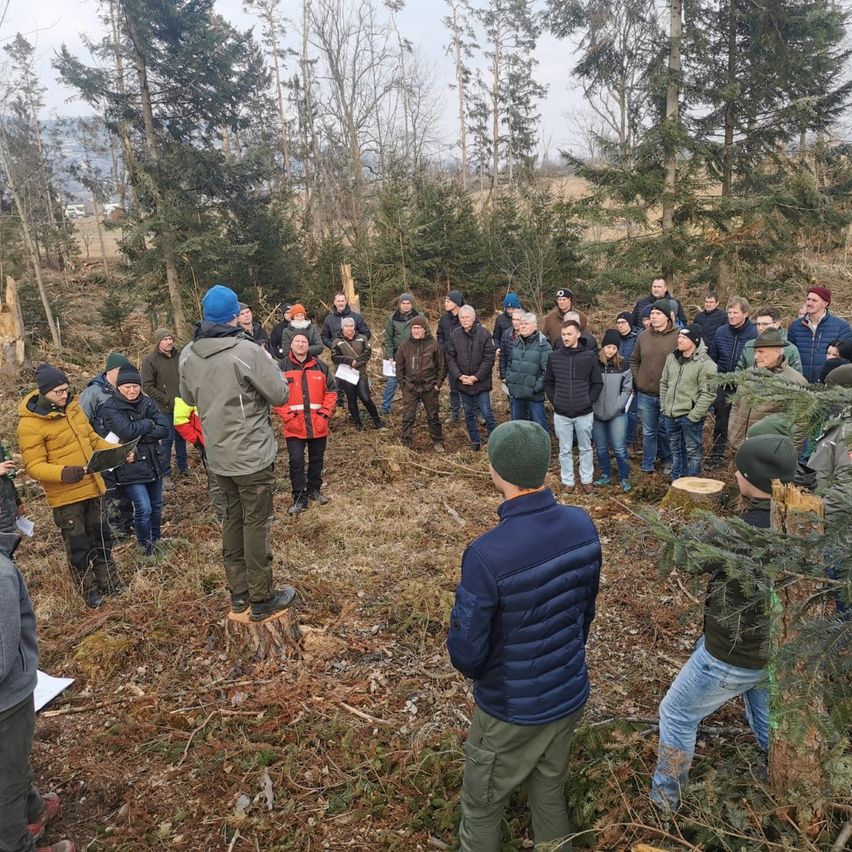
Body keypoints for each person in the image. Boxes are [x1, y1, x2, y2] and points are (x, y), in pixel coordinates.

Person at [447, 420, 601, 852]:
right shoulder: (582, 525)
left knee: (481, 807)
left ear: (498, 471)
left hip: (511, 709)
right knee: (548, 790)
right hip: (569, 690)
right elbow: (584, 612)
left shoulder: (486, 554)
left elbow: (467, 653)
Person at [650, 434, 798, 812]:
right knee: (765, 715)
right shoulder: (800, 521)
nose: (733, 473)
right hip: (774, 647)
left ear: (750, 479)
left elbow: (687, 558)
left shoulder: (739, 532)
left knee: (676, 713)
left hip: (732, 652)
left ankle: (665, 802)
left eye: (740, 469)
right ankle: (787, 784)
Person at [179, 284, 295, 622]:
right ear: (234, 316)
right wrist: (269, 365)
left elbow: (187, 398)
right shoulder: (247, 352)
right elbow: (280, 394)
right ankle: (262, 599)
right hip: (252, 456)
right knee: (256, 524)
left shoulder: (188, 353)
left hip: (216, 455)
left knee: (231, 520)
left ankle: (239, 596)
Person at [18, 364, 124, 608]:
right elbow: (34, 465)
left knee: (101, 538)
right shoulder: (31, 424)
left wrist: (117, 453)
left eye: (66, 389)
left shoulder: (74, 409)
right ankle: (90, 592)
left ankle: (110, 582)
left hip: (92, 486)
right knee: (78, 546)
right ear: (44, 392)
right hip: (66, 497)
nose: (64, 395)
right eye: (58, 392)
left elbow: (93, 439)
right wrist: (63, 473)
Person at [1, 550, 75, 852]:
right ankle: (17, 845)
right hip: (6, 705)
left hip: (9, 700)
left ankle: (32, 808)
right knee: (7, 784)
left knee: (13, 763)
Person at [101, 365, 172, 556]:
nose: (132, 391)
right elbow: (125, 431)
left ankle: (156, 540)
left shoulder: (148, 403)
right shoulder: (110, 407)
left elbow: (164, 428)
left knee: (157, 507)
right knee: (144, 508)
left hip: (153, 462)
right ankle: (145, 546)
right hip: (130, 467)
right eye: (127, 387)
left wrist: (138, 432)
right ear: (119, 388)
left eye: (135, 386)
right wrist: (148, 423)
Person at [274, 331, 337, 515]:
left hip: (318, 424)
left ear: (308, 345)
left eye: (304, 341)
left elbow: (331, 392)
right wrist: (287, 417)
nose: (301, 344)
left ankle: (315, 490)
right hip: (294, 426)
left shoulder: (321, 366)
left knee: (317, 459)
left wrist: (325, 414)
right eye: (297, 341)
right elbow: (276, 396)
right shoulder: (281, 367)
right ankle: (299, 497)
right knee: (296, 461)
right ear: (291, 345)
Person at [809, 364, 852, 612]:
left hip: (839, 531)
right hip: (833, 525)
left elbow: (847, 488)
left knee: (842, 590)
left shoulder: (849, 429)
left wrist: (820, 514)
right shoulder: (840, 421)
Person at [78, 352, 135, 539]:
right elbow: (82, 423)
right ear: (111, 371)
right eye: (121, 370)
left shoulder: (126, 388)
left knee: (125, 487)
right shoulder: (92, 393)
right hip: (102, 451)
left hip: (122, 448)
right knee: (110, 492)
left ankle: (127, 525)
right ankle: (114, 531)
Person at [545, 320, 603, 494]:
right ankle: (568, 481)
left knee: (585, 448)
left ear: (578, 334)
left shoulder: (589, 356)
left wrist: (588, 400)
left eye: (569, 334)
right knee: (564, 449)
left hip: (584, 412)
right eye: (563, 334)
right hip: (562, 413)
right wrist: (556, 401)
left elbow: (597, 383)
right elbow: (548, 382)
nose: (566, 338)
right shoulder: (554, 357)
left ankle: (587, 480)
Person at [728, 328, 808, 452]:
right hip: (740, 448)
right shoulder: (747, 374)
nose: (756, 356)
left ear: (777, 352)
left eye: (761, 352)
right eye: (755, 351)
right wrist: (733, 436)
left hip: (770, 452)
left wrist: (790, 456)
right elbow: (736, 407)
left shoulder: (795, 381)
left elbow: (799, 425)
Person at [658, 326, 717, 479]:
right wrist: (664, 407)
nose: (679, 340)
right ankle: (677, 480)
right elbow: (664, 383)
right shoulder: (672, 358)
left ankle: (692, 482)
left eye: (684, 338)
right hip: (670, 414)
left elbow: (709, 393)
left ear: (694, 341)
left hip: (690, 416)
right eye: (679, 337)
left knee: (693, 451)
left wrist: (694, 415)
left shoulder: (706, 364)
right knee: (676, 450)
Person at [706, 296, 757, 467]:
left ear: (746, 314)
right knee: (721, 420)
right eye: (729, 312)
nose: (731, 316)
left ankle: (743, 459)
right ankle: (717, 455)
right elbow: (713, 357)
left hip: (745, 385)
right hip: (723, 383)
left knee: (744, 423)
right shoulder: (721, 331)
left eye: (735, 313)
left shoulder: (754, 333)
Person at [630, 300, 679, 474]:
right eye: (652, 314)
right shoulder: (643, 336)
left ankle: (668, 461)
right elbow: (634, 360)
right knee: (649, 432)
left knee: (666, 430)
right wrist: (638, 379)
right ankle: (648, 464)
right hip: (645, 394)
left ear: (667, 317)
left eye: (657, 314)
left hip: (668, 394)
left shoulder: (678, 336)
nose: (653, 317)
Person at [141, 328, 187, 489]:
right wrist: (164, 399)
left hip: (183, 404)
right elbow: (147, 385)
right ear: (158, 342)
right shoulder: (150, 360)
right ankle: (165, 473)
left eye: (170, 339)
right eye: (165, 339)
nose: (169, 342)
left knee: (182, 437)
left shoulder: (180, 355)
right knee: (167, 440)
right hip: (164, 407)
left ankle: (183, 467)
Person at [446, 305, 498, 451]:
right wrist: (459, 376)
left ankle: (494, 440)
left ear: (473, 318)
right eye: (462, 317)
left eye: (467, 317)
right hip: (463, 383)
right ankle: (475, 441)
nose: (465, 320)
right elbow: (450, 357)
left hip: (480, 383)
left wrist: (476, 377)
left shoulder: (484, 334)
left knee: (486, 412)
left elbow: (489, 359)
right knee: (468, 413)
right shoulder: (455, 335)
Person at [395, 315, 446, 451]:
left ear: (425, 329)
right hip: (410, 387)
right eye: (413, 328)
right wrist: (403, 385)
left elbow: (441, 367)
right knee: (408, 415)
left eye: (418, 328)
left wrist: (437, 385)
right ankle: (405, 442)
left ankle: (437, 441)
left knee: (433, 415)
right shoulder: (404, 346)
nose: (416, 331)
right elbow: (399, 367)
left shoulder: (433, 345)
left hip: (429, 387)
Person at [593, 330, 633, 492]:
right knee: (601, 447)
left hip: (616, 413)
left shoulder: (623, 364)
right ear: (603, 347)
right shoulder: (594, 363)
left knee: (619, 447)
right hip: (596, 413)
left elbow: (627, 388)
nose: (610, 350)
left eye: (614, 348)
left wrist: (619, 405)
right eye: (608, 347)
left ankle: (625, 477)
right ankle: (605, 475)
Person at [787, 286, 852, 384]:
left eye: (814, 300)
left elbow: (847, 359)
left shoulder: (841, 326)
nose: (809, 303)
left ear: (825, 304)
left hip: (830, 385)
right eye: (808, 299)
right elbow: (790, 355)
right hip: (799, 385)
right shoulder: (796, 326)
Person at [173, 396, 224, 519]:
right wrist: (197, 441)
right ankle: (222, 515)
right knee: (216, 481)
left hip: (230, 441)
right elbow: (179, 420)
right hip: (208, 445)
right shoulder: (188, 388)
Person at [329, 317, 383, 431]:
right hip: (347, 374)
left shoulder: (362, 338)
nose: (349, 328)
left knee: (366, 397)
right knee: (351, 399)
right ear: (342, 327)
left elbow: (367, 353)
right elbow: (334, 357)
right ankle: (358, 423)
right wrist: (348, 361)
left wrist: (357, 362)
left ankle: (377, 420)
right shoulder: (337, 341)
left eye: (351, 326)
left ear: (354, 326)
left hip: (361, 373)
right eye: (347, 326)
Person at [504, 312, 551, 431]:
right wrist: (510, 381)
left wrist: (536, 388)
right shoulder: (517, 343)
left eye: (526, 324)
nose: (523, 326)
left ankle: (543, 449)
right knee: (518, 426)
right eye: (521, 324)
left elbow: (547, 371)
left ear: (535, 326)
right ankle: (520, 449)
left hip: (534, 396)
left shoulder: (544, 345)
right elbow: (509, 364)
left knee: (539, 426)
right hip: (517, 394)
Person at [382, 293, 425, 415]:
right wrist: (390, 356)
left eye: (408, 303)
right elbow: (388, 339)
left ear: (412, 304)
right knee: (392, 382)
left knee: (415, 380)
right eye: (403, 303)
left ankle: (417, 403)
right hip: (396, 356)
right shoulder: (392, 318)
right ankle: (385, 407)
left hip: (414, 355)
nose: (406, 306)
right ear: (399, 304)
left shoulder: (419, 316)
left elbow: (426, 335)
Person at [738, 307, 801, 371]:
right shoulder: (749, 345)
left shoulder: (790, 349)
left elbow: (797, 378)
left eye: (765, 324)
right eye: (758, 324)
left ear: (777, 324)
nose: (760, 328)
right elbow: (738, 373)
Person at [437, 290, 465, 424]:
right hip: (450, 359)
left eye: (448, 301)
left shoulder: (466, 316)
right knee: (453, 388)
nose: (445, 304)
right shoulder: (444, 319)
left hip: (466, 359)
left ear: (456, 303)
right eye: (445, 301)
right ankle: (455, 414)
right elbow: (439, 336)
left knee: (470, 387)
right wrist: (443, 348)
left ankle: (477, 413)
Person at [616, 312, 639, 445]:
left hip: (631, 380)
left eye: (623, 322)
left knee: (631, 412)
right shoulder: (615, 338)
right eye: (618, 323)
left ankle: (630, 439)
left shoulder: (636, 339)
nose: (620, 325)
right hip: (616, 379)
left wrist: (635, 381)